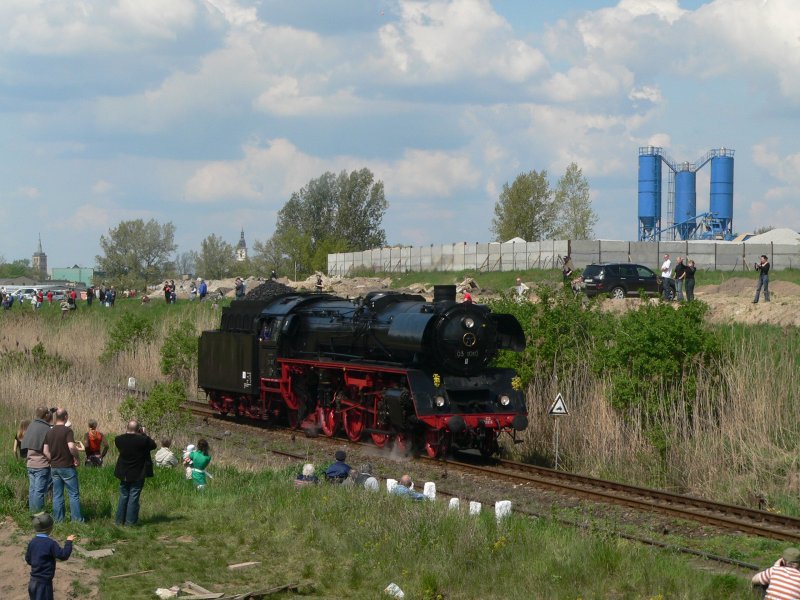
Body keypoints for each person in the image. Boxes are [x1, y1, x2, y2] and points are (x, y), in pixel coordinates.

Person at [43, 409, 83, 523]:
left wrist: (52, 459)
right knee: (73, 495)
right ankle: (76, 520)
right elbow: (71, 447)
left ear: (56, 417)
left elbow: (45, 451)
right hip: (67, 466)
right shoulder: (67, 431)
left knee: (57, 494)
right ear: (65, 417)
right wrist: (77, 458)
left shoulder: (49, 431)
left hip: (54, 467)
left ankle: (58, 520)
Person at [114, 420, 156, 526]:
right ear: (138, 430)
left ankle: (119, 521)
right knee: (133, 496)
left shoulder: (118, 439)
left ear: (127, 428)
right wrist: (144, 434)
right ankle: (130, 522)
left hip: (123, 472)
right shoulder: (143, 440)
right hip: (138, 472)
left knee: (123, 495)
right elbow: (153, 445)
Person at [25, 512, 75, 600]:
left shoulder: (32, 542)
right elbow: (63, 555)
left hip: (32, 582)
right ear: (50, 528)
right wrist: (68, 542)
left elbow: (28, 559)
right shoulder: (50, 544)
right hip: (44, 584)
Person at [21, 407, 54, 512]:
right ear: (46, 415)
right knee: (39, 491)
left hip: (30, 463)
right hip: (41, 464)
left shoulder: (31, 425)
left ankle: (32, 512)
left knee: (32, 490)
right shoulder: (46, 428)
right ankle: (38, 515)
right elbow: (47, 450)